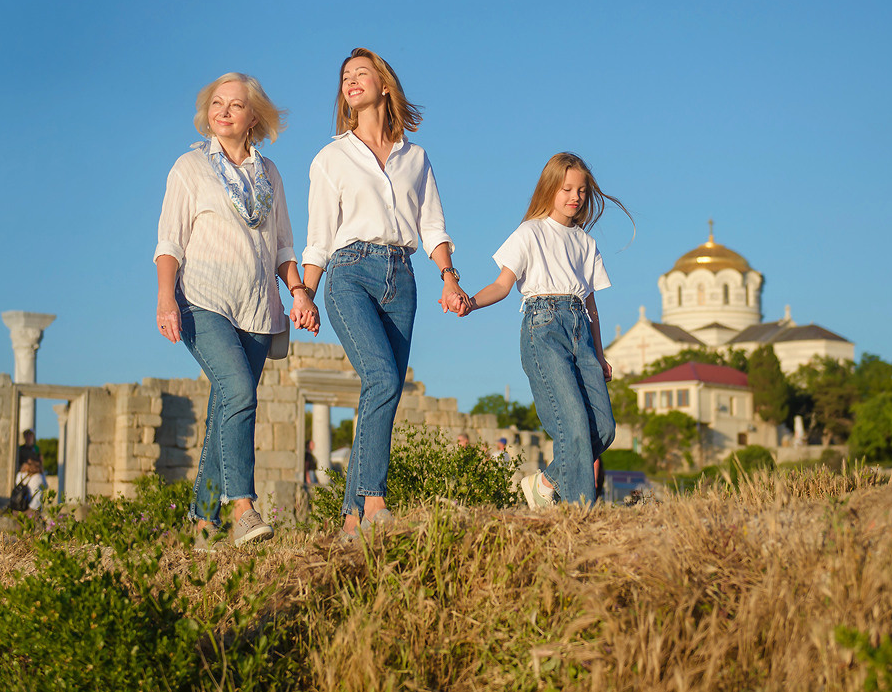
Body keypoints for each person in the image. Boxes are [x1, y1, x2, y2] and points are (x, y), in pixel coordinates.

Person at [302, 47, 469, 538]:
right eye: (345, 77)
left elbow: (433, 224)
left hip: (404, 276)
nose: (351, 81)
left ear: (384, 85)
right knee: (381, 377)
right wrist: (305, 294)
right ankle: (374, 502)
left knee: (385, 392)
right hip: (349, 273)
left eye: (361, 74)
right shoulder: (331, 157)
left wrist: (449, 276)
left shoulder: (415, 157)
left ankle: (350, 518)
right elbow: (318, 236)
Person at [155, 72, 319, 547]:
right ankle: (243, 509)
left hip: (258, 308)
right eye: (216, 103)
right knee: (240, 390)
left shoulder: (270, 175)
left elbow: (284, 246)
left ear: (254, 118)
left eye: (235, 105)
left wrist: (299, 293)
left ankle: (202, 520)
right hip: (200, 300)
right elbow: (169, 241)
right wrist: (166, 297)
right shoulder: (189, 168)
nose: (223, 111)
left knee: (228, 405)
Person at [460, 153, 630, 507]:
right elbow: (502, 285)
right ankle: (580, 512)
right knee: (573, 426)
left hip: (580, 328)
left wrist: (599, 355)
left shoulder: (586, 243)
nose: (575, 196)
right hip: (544, 326)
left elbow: (592, 306)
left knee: (604, 427)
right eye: (567, 188)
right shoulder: (530, 232)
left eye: (582, 190)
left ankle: (546, 482)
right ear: (550, 188)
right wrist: (470, 302)